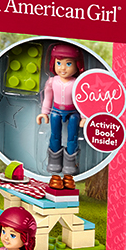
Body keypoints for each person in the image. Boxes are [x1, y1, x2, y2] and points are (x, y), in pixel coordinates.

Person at [36, 43, 86, 175]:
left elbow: (82, 100)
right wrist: (44, 113)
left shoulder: (77, 83)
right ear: (53, 63)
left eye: (68, 64)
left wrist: (83, 116)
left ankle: (70, 163)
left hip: (73, 113)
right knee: (54, 136)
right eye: (58, 63)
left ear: (77, 65)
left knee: (72, 137)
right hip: (56, 112)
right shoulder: (52, 81)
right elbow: (47, 98)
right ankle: (54, 162)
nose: (63, 68)